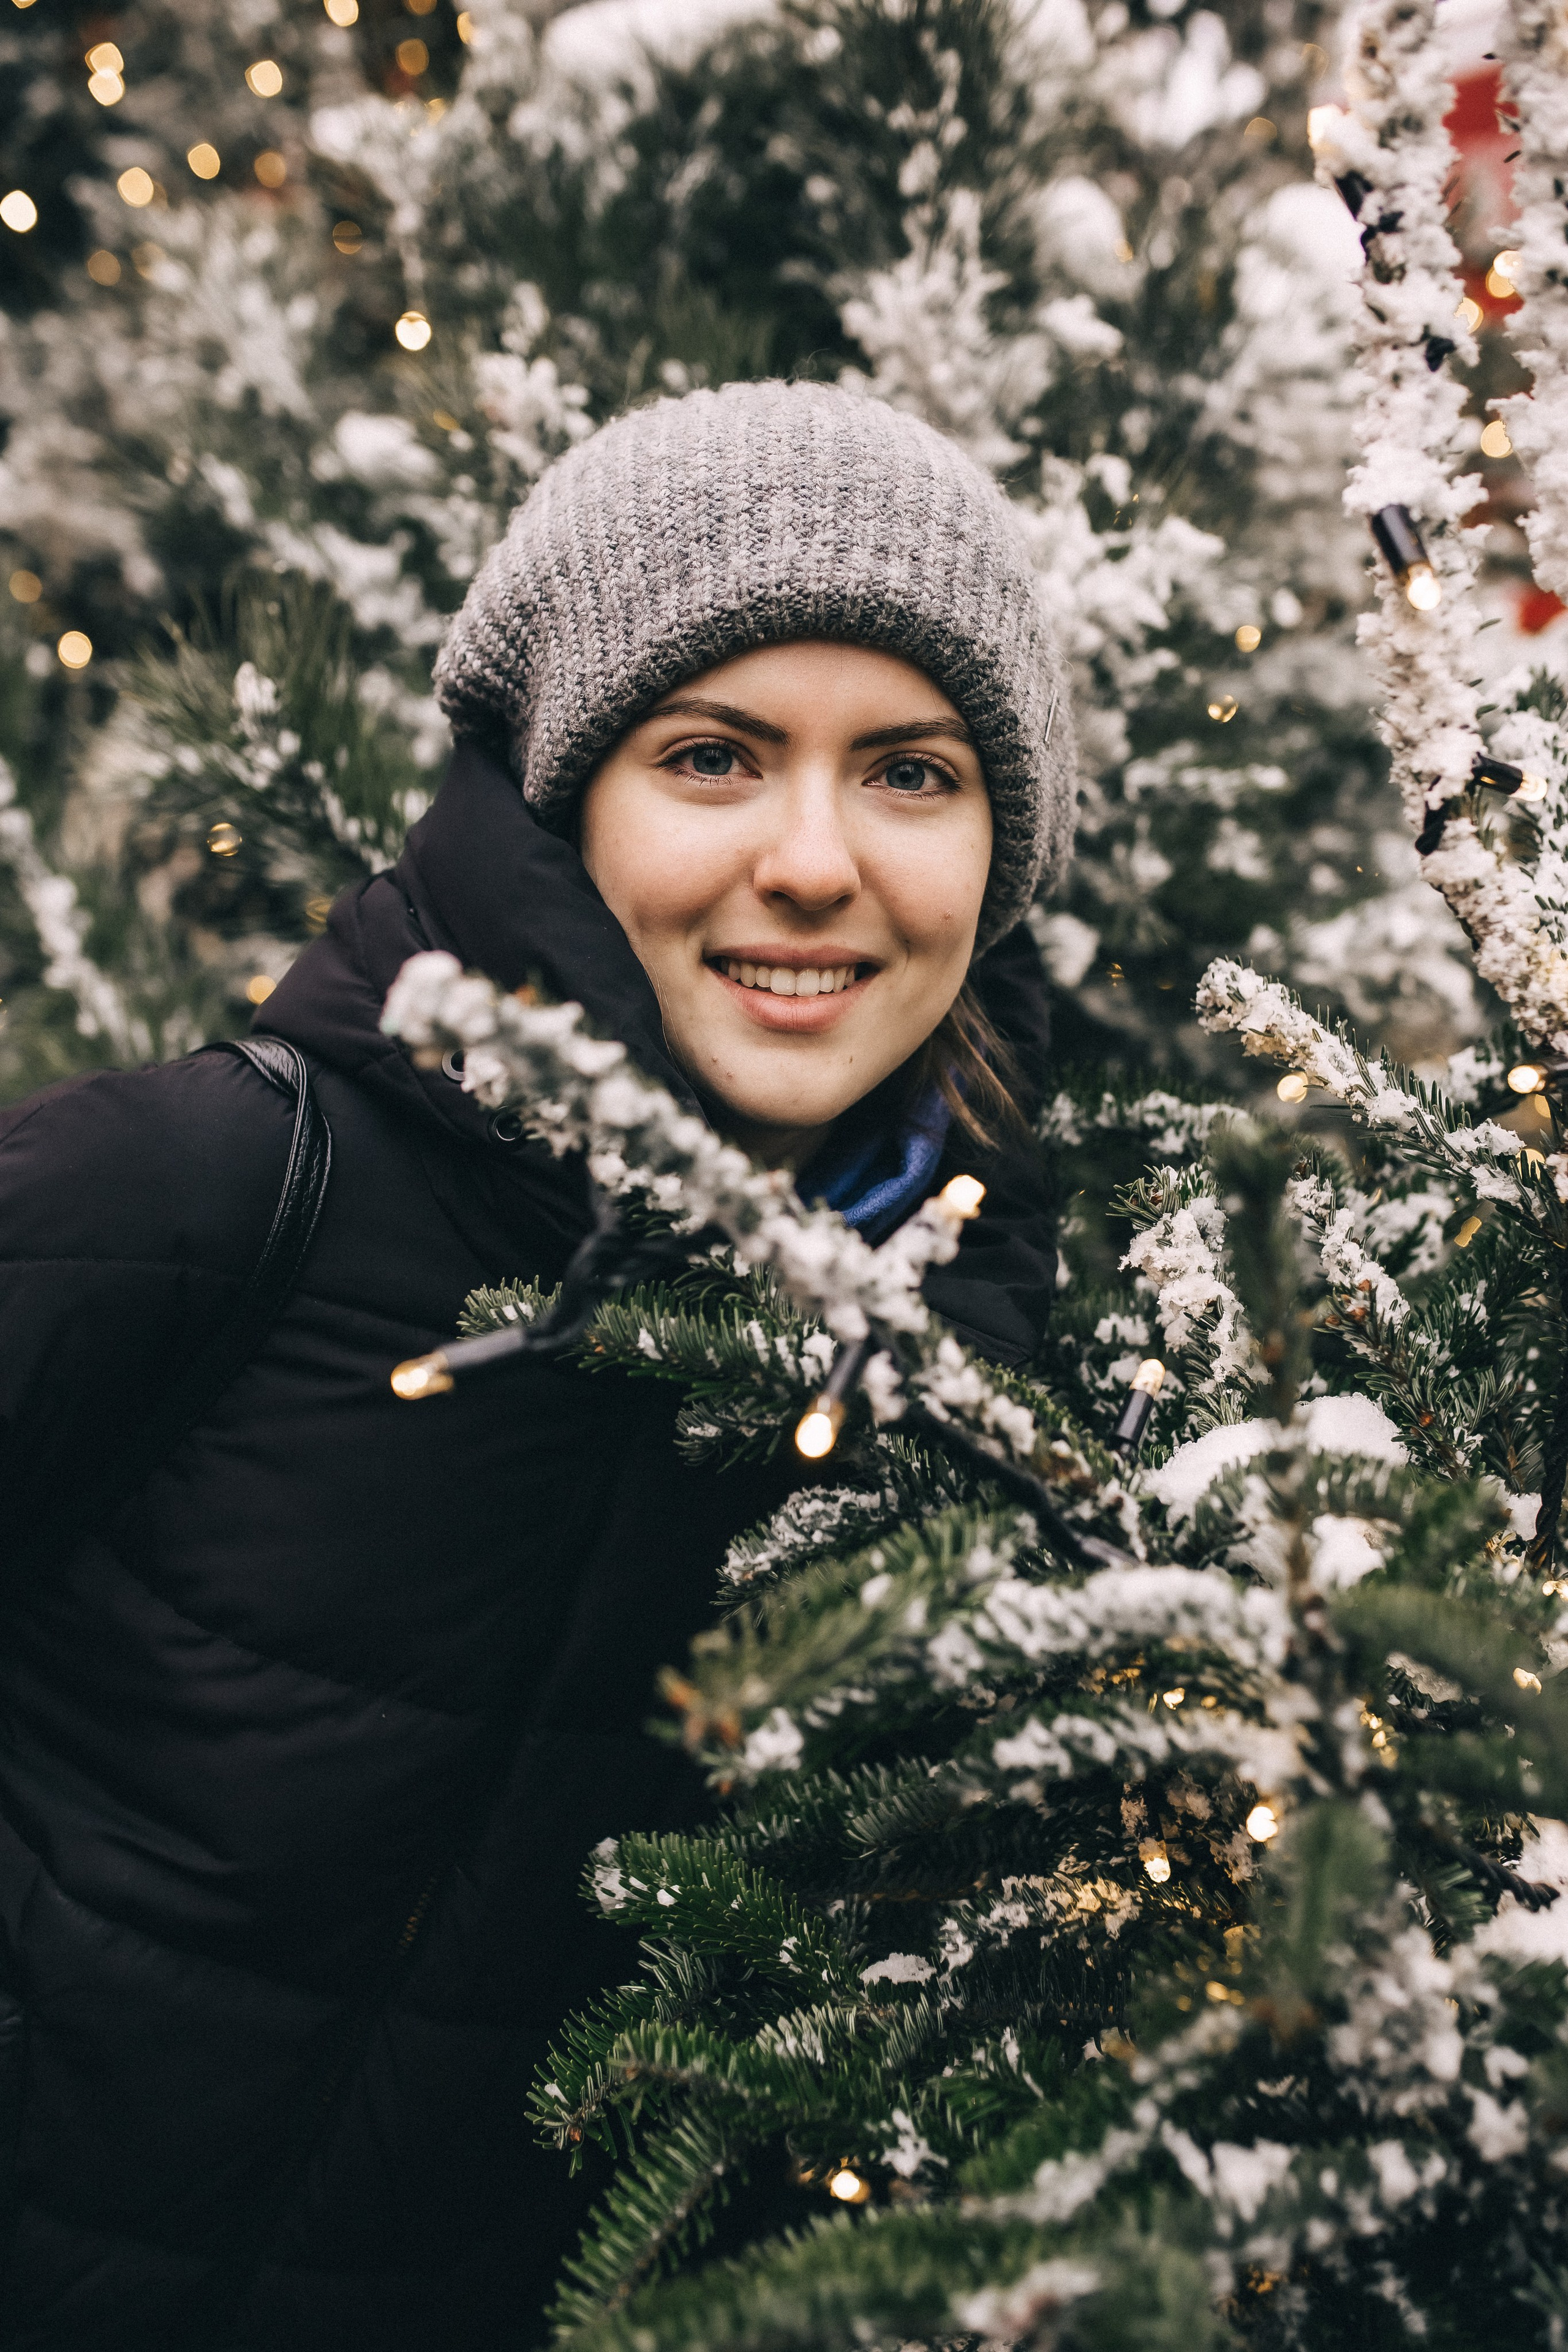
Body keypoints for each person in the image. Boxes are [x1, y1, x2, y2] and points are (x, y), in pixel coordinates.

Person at [0, 381, 1074, 2350]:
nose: (817, 862)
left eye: (913, 772)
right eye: (714, 756)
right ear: (563, 797)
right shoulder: (208, 1187)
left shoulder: (996, 1409)